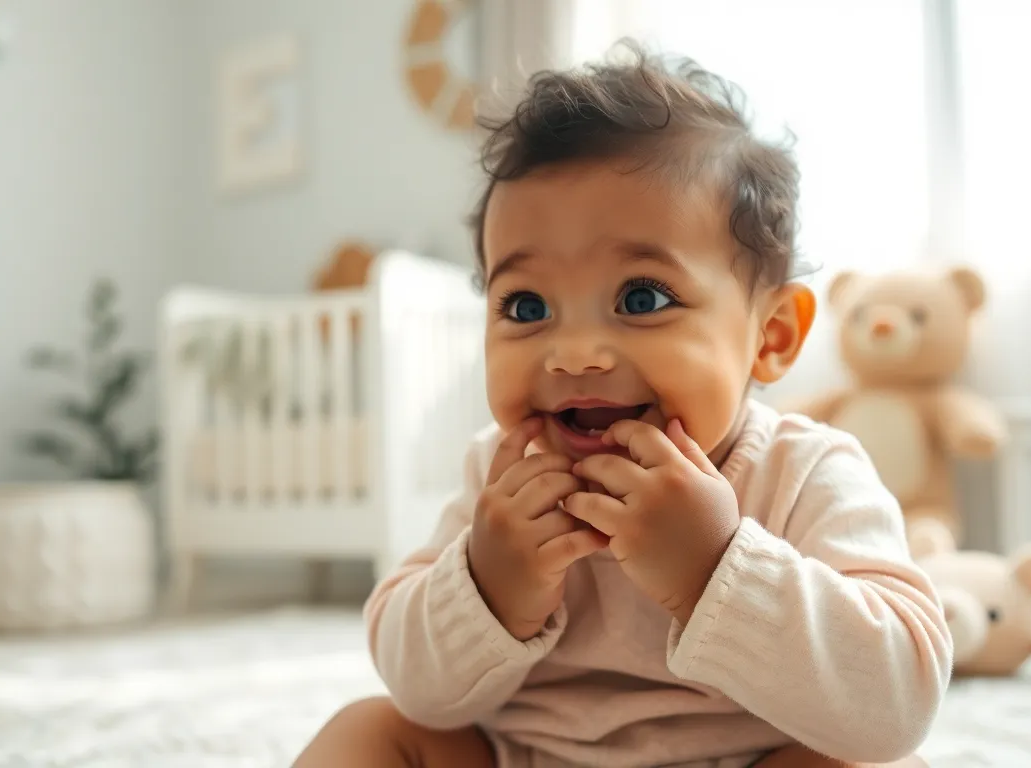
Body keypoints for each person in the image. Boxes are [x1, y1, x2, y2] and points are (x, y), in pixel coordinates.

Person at [296, 42, 952, 768]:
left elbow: (898, 704)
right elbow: (417, 688)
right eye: (526, 304)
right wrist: (488, 584)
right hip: (524, 755)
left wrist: (716, 568)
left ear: (771, 334)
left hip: (747, 758)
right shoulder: (502, 474)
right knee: (373, 730)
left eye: (641, 298)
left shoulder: (807, 471)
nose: (574, 353)